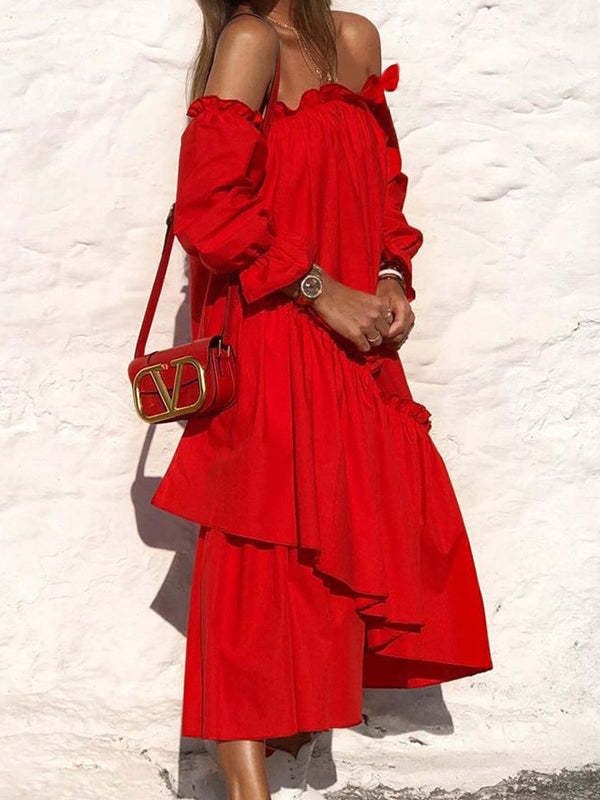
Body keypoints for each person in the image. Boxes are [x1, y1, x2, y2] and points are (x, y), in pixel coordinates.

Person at [150, 2, 493, 798]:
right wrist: (319, 289)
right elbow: (209, 210)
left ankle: (290, 752)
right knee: (252, 564)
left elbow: (384, 191)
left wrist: (391, 276)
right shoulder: (247, 42)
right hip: (271, 331)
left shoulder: (353, 39)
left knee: (337, 550)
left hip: (355, 342)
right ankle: (246, 789)